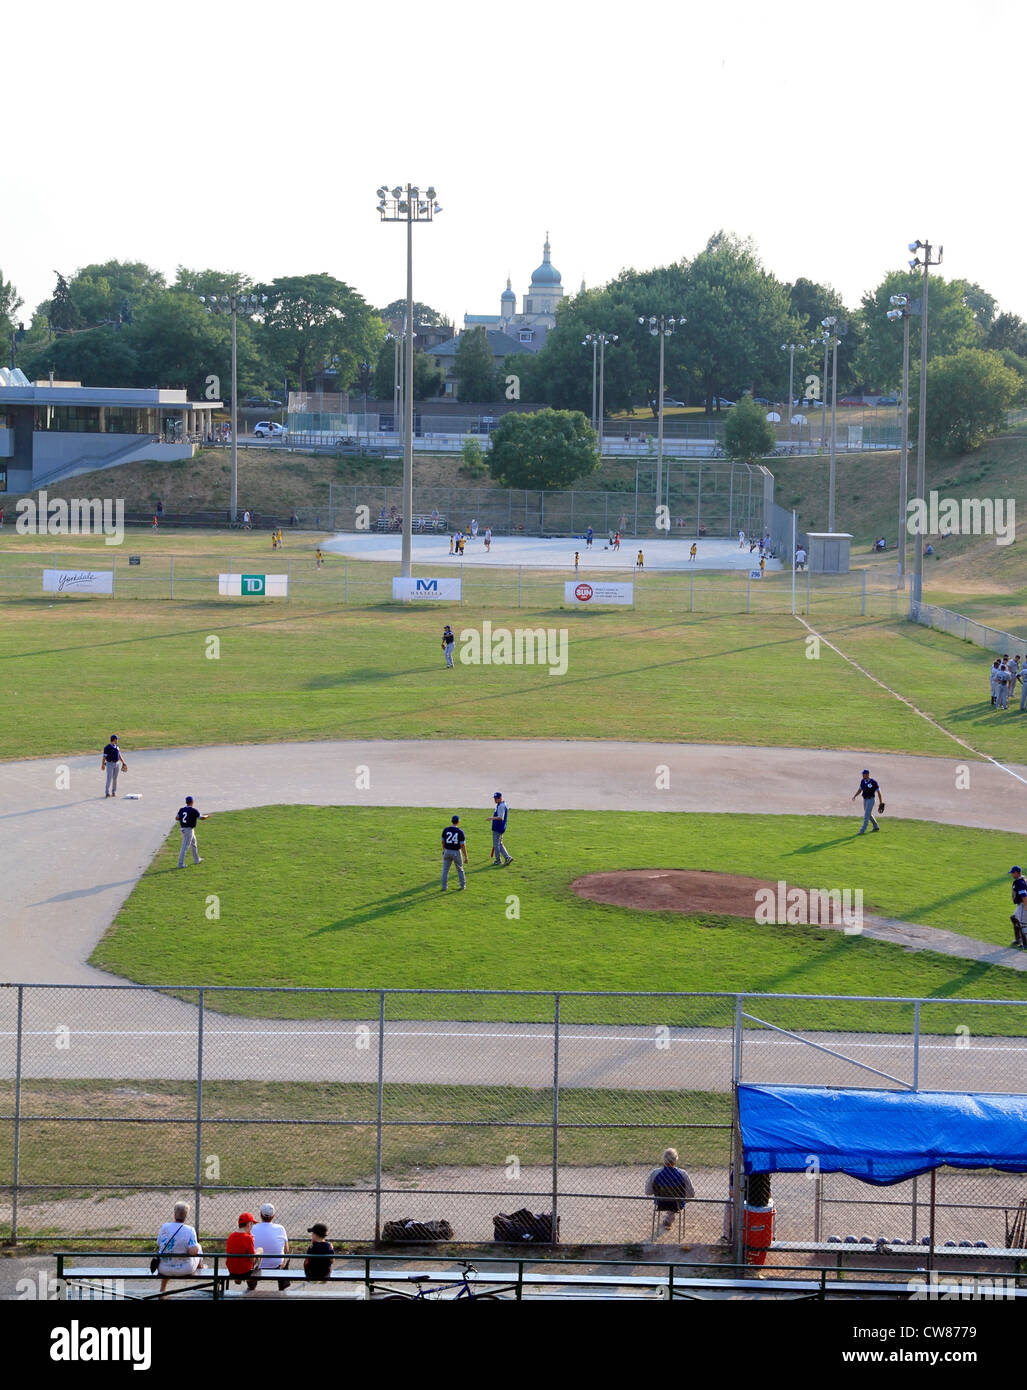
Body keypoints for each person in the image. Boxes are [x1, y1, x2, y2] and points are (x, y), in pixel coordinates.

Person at [156, 1201, 204, 1296]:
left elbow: (158, 1243)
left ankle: (163, 1289)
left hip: (164, 1268)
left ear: (174, 1214)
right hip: (185, 1268)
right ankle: (200, 1264)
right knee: (198, 1246)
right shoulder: (190, 1230)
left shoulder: (164, 1227)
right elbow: (193, 1251)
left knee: (168, 1254)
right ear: (186, 1215)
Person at [645, 1148, 695, 1230]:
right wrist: (682, 1198)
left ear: (664, 1160)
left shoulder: (655, 1173)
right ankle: (670, 1216)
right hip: (677, 1204)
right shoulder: (683, 1174)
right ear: (675, 1161)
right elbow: (691, 1194)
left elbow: (648, 1192)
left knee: (670, 1197)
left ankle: (669, 1217)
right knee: (675, 1199)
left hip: (660, 1203)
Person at [251, 1202, 291, 1290]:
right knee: (285, 1258)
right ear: (273, 1215)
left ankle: (251, 1286)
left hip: (257, 1265)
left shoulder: (253, 1228)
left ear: (260, 1215)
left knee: (253, 1258)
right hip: (276, 1265)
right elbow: (286, 1250)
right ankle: (282, 1287)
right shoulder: (280, 1228)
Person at [226, 1212, 263, 1291]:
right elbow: (252, 1259)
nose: (252, 1227)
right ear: (249, 1224)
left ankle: (238, 1279)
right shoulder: (248, 1238)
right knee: (260, 1250)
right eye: (252, 1224)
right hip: (244, 1271)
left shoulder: (231, 1235)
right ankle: (251, 1282)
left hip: (231, 1270)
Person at [176, 796, 208, 868]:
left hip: (184, 829)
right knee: (184, 847)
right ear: (192, 802)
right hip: (188, 830)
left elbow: (177, 818)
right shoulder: (193, 810)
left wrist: (185, 820)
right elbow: (201, 818)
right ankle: (180, 864)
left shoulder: (182, 809)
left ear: (186, 802)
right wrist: (207, 816)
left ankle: (196, 859)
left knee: (193, 843)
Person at [851, 768, 883, 835]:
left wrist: (881, 802)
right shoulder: (862, 781)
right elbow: (860, 789)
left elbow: (879, 792)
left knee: (866, 815)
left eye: (864, 774)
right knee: (868, 814)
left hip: (871, 800)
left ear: (868, 774)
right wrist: (855, 796)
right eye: (862, 774)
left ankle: (862, 830)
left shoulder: (873, 782)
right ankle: (876, 826)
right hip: (865, 800)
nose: (863, 775)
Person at [441, 814, 468, 891]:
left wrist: (444, 850)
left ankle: (444, 887)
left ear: (451, 821)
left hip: (447, 851)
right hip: (456, 852)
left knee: (445, 870)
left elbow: (442, 841)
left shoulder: (445, 830)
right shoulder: (460, 832)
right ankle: (462, 886)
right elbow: (462, 845)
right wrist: (466, 856)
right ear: (458, 822)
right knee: (460, 869)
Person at [101, 734, 127, 798]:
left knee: (115, 778)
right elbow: (104, 757)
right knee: (109, 778)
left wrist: (123, 762)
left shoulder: (117, 746)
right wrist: (102, 764)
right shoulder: (107, 747)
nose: (117, 740)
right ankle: (107, 793)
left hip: (117, 764)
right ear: (114, 739)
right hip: (110, 764)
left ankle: (113, 792)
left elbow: (119, 754)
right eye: (117, 739)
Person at [491, 792, 512, 867]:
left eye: (496, 798)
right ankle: (507, 857)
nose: (495, 800)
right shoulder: (501, 804)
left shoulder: (501, 806)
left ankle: (498, 860)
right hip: (500, 827)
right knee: (499, 843)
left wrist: (491, 818)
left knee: (496, 845)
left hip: (498, 828)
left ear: (500, 798)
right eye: (494, 798)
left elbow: (501, 817)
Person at [1009, 866, 1027, 949]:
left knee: (1023, 924)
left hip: (1023, 905)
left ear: (1017, 872)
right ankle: (1018, 939)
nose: (1012, 874)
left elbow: (1024, 895)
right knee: (1014, 918)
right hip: (1020, 905)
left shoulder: (1019, 883)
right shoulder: (1020, 880)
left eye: (1013, 873)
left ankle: (1025, 944)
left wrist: (1026, 905)